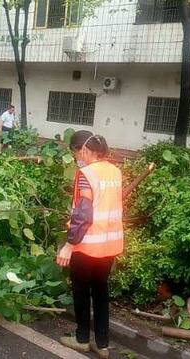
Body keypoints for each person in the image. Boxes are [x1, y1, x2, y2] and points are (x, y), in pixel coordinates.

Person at [56, 130, 123, 359]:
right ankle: (102, 344)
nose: (76, 158)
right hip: (110, 245)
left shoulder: (86, 173)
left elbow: (83, 213)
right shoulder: (115, 171)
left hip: (87, 246)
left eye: (75, 153)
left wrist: (69, 244)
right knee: (101, 292)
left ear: (83, 149)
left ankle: (82, 338)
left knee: (82, 292)